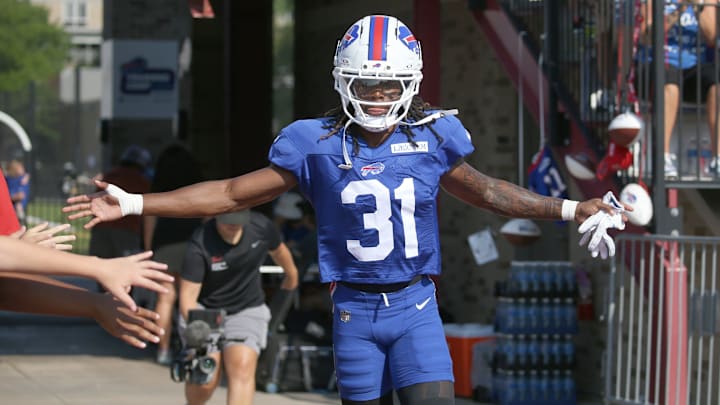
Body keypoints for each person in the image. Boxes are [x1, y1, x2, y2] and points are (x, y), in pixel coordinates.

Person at [64, 15, 625, 404]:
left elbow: (490, 192)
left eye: (388, 87)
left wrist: (574, 207)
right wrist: (135, 200)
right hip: (354, 312)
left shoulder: (432, 137)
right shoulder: (314, 143)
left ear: (410, 84)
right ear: (343, 81)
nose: (378, 98)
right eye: (366, 85)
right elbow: (233, 193)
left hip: (416, 306)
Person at [178, 211, 299, 405]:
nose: (233, 226)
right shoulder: (200, 242)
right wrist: (198, 331)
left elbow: (279, 250)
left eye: (238, 222)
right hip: (205, 310)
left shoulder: (262, 227)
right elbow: (187, 297)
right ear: (215, 217)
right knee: (205, 377)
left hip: (246, 307)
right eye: (227, 222)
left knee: (242, 367)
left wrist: (291, 274)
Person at [143, 143, 205, 365]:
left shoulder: (157, 188)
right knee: (190, 297)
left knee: (165, 297)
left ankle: (163, 349)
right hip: (192, 241)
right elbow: (207, 216)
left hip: (164, 243)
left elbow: (149, 217)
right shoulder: (197, 187)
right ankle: (193, 347)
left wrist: (150, 249)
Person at [641, 0, 718, 177]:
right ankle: (663, 157)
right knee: (669, 79)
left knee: (717, 82)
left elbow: (711, 35)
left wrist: (697, 6)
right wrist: (680, 8)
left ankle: (717, 159)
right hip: (661, 64)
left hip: (695, 67)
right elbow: (648, 36)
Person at [88, 145, 152, 290]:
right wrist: (148, 245)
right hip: (126, 233)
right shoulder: (141, 180)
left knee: (102, 277)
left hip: (101, 230)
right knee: (126, 279)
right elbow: (147, 212)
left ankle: (104, 307)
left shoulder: (109, 176)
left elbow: (96, 203)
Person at [4, 159, 30, 223]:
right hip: (12, 204)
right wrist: (15, 196)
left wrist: (27, 176)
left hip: (19, 204)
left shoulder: (22, 178)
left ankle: (21, 218)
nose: (23, 170)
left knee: (19, 207)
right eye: (20, 168)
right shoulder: (9, 179)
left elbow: (27, 175)